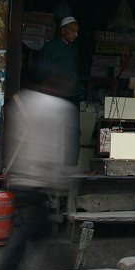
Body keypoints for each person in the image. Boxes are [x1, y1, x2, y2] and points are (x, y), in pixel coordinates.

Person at [0, 81, 79, 270]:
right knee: (30, 241)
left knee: (40, 239)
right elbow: (56, 150)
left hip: (23, 181)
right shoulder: (60, 109)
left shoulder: (24, 101)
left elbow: (14, 140)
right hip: (38, 185)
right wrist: (58, 184)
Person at [36, 16, 83, 166]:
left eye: (77, 32)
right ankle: (47, 164)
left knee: (73, 132)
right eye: (72, 31)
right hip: (53, 96)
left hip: (72, 96)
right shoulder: (50, 48)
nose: (75, 35)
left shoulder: (74, 50)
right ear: (63, 31)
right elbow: (41, 73)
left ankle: (70, 166)